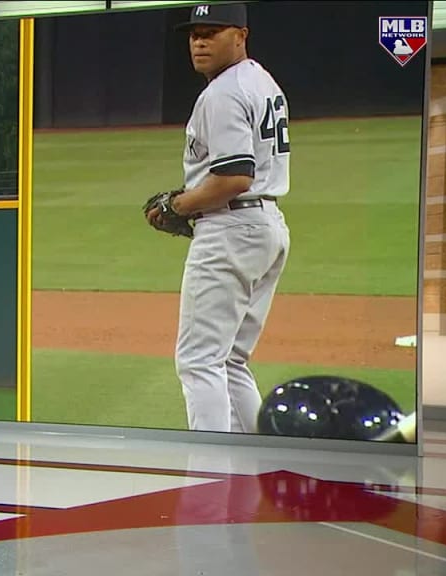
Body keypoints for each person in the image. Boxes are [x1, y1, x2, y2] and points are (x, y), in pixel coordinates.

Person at [147, 3, 291, 433]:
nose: (200, 41)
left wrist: (178, 205)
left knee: (199, 362)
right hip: (266, 229)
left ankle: (209, 485)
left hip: (231, 229)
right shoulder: (262, 81)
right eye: (195, 34)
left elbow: (233, 178)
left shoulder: (223, 92)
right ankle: (261, 471)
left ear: (241, 35)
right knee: (229, 361)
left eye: (212, 31)